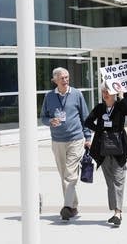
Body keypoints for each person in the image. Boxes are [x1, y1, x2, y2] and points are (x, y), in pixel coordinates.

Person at [40, 67, 91, 221]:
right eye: (62, 78)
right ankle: (73, 207)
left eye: (67, 77)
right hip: (57, 141)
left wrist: (88, 137)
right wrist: (50, 121)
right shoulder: (49, 97)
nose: (65, 80)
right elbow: (43, 117)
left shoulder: (77, 94)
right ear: (55, 80)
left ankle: (67, 207)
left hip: (76, 139)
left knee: (70, 174)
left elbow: (85, 117)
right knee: (64, 176)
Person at [85, 81, 127, 227]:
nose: (105, 94)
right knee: (110, 183)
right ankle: (115, 210)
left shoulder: (120, 106)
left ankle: (118, 213)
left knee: (118, 180)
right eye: (103, 92)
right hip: (103, 150)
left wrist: (121, 97)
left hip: (119, 149)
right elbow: (87, 121)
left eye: (108, 91)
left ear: (114, 93)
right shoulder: (100, 108)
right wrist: (100, 130)